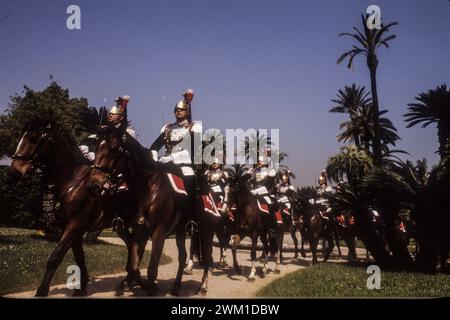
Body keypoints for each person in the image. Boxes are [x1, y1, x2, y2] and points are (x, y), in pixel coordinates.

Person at [149, 89, 202, 226]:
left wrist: (172, 158)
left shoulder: (194, 128)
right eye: (176, 109)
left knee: (189, 182)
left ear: (187, 112)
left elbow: (193, 151)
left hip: (184, 165)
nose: (178, 112)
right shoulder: (167, 128)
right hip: (165, 165)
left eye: (181, 110)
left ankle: (191, 219)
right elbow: (154, 147)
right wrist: (155, 159)